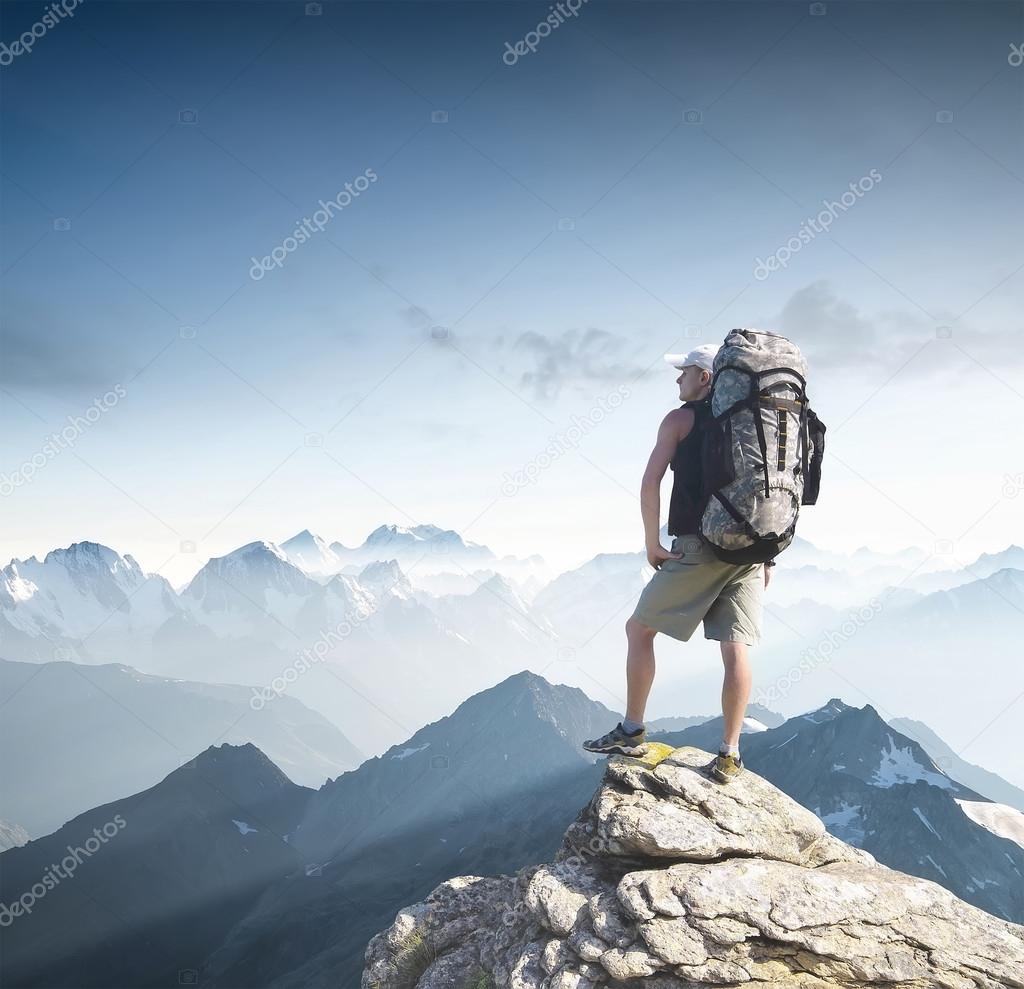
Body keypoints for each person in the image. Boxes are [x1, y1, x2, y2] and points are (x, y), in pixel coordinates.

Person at [582, 344, 773, 783]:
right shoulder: (753, 421)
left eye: (684, 371)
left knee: (638, 629)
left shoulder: (680, 419)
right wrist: (769, 556)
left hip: (700, 545)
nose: (677, 380)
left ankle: (631, 730)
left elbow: (650, 481)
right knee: (735, 646)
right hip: (752, 550)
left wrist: (653, 543)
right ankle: (729, 754)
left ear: (705, 378)